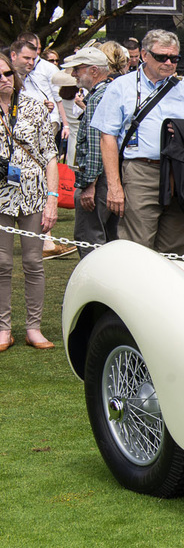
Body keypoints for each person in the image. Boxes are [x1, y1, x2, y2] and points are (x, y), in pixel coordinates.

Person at [92, 29, 184, 254]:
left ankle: (169, 289)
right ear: (145, 55)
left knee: (175, 248)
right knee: (138, 248)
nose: (169, 63)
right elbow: (107, 137)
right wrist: (115, 186)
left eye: (174, 58)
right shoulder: (121, 87)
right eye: (162, 57)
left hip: (180, 172)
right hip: (141, 171)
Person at [0, 49, 59, 350]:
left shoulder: (35, 107)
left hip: (34, 195)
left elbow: (50, 156)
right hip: (0, 198)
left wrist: (52, 198)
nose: (3, 80)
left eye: (7, 74)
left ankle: (33, 327)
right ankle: (3, 328)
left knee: (34, 262)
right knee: (1, 263)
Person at [65, 44, 126, 247]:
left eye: (77, 69)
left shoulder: (98, 98)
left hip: (99, 181)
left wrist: (88, 185)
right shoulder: (112, 92)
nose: (74, 74)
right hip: (112, 176)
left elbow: (94, 145)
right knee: (110, 237)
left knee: (89, 237)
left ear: (93, 70)